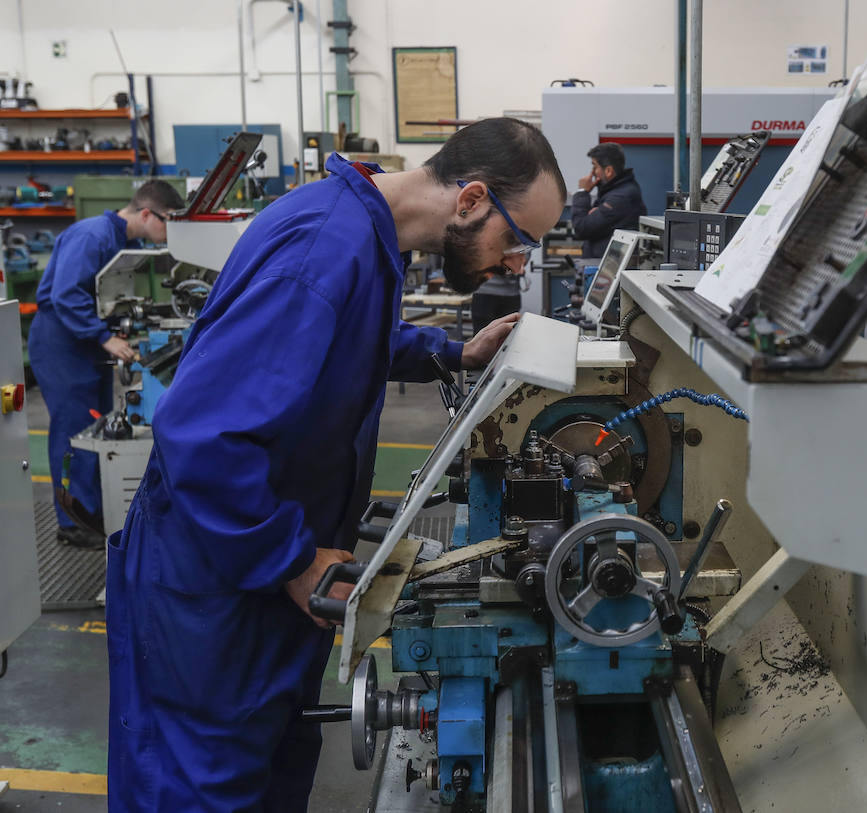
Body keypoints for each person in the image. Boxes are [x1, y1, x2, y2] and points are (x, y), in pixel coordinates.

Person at [105, 117, 566, 811]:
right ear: (471, 199)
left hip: (265, 565)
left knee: (268, 767)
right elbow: (201, 434)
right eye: (519, 239)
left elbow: (350, 339)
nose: (516, 264)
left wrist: (449, 351)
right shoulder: (325, 246)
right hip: (218, 579)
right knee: (204, 783)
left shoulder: (359, 231)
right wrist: (292, 560)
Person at [27, 180, 185, 548]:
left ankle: (93, 509)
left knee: (98, 427)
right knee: (74, 429)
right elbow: (66, 296)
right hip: (61, 341)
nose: (168, 231)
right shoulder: (92, 236)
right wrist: (103, 337)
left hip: (87, 341)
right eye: (167, 222)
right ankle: (71, 521)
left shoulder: (125, 243)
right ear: (146, 213)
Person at [570, 142, 647, 259]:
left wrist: (582, 192)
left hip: (609, 269)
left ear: (608, 171)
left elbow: (582, 228)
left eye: (595, 167)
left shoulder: (620, 197)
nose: (593, 173)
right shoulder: (614, 191)